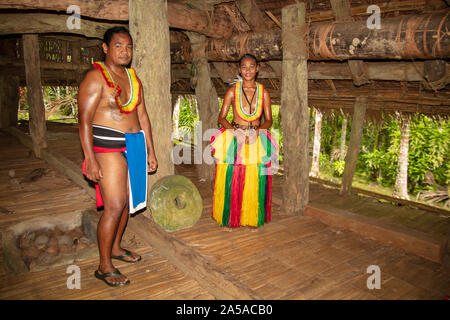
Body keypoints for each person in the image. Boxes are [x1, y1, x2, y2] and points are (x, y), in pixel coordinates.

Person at [78, 26, 157, 287]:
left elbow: (143, 116)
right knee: (113, 205)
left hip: (134, 144)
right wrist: (90, 157)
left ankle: (116, 248)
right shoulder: (95, 77)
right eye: (119, 46)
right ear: (105, 48)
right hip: (108, 147)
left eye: (129, 47)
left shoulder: (133, 78)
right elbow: (84, 121)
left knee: (125, 203)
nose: (125, 51)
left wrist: (150, 150)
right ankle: (104, 266)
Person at [210, 54, 278, 229]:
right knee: (232, 177)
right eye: (244, 67)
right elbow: (222, 118)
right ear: (239, 69)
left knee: (254, 177)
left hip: (256, 136)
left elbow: (269, 119)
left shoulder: (264, 93)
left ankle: (251, 216)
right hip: (234, 136)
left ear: (257, 69)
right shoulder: (233, 91)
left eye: (251, 66)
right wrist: (235, 132)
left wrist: (259, 131)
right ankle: (230, 217)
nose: (248, 70)